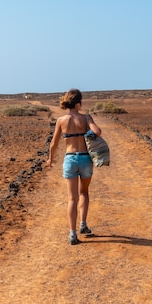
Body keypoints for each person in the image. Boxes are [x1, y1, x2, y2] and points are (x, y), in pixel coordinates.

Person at [46, 89, 102, 245]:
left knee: (72, 198)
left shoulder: (61, 120)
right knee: (84, 192)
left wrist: (50, 159)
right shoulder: (85, 117)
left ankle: (72, 234)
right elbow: (97, 131)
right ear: (78, 103)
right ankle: (83, 225)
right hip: (85, 159)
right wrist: (87, 133)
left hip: (70, 159)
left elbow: (54, 144)